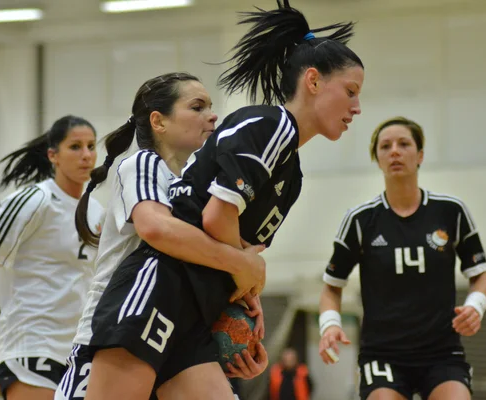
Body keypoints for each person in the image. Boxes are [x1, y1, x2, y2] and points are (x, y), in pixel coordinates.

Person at [86, 0, 364, 399]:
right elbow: (218, 221)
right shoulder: (268, 126)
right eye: (351, 91)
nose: (357, 107)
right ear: (314, 81)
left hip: (197, 309)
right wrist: (248, 272)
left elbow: (237, 252)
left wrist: (247, 312)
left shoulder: (292, 173)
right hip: (160, 286)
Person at [55, 72, 267, 400]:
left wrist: (240, 323)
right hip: (120, 330)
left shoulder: (202, 188)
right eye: (197, 107)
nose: (212, 115)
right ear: (159, 122)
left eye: (211, 107)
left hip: (173, 334)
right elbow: (157, 228)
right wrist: (241, 262)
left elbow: (203, 261)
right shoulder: (143, 164)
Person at [0, 116, 104, 400]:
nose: (86, 155)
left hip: (77, 348)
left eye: (91, 146)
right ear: (53, 155)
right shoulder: (33, 200)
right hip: (31, 343)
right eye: (75, 146)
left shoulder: (97, 212)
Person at [318, 117, 486, 400]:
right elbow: (331, 287)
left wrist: (476, 306)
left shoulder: (451, 211)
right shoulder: (361, 220)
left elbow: (479, 274)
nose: (395, 151)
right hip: (383, 354)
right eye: (385, 146)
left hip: (442, 352)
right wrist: (330, 325)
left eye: (404, 144)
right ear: (377, 159)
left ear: (420, 155)